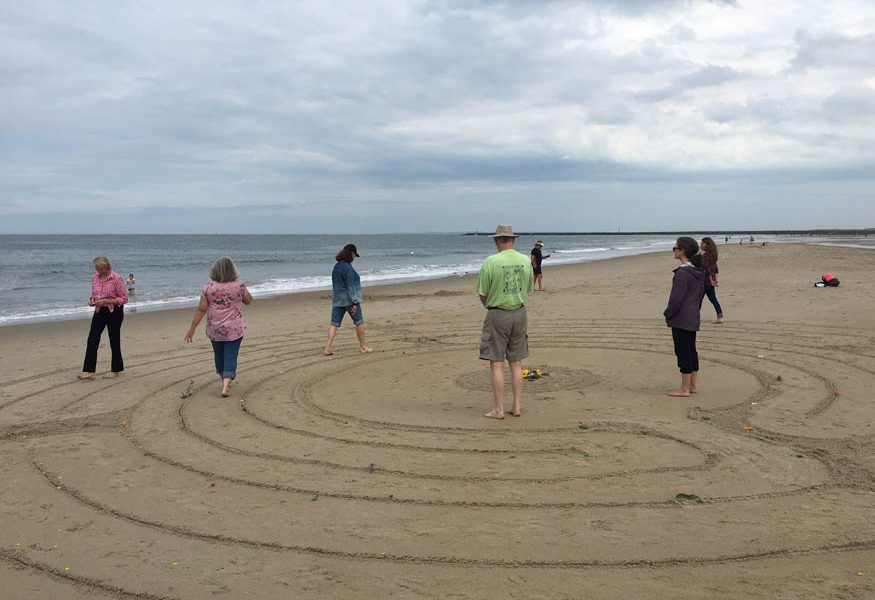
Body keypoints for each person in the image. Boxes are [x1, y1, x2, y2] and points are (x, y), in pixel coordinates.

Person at [477, 224, 534, 419]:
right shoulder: (525, 260)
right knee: (516, 363)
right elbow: (528, 288)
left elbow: (482, 293)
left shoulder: (491, 262)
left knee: (496, 362)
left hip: (498, 314)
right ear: (513, 240)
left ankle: (499, 409)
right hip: (519, 313)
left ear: (496, 240)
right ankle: (516, 406)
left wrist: (492, 306)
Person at [184, 257, 253, 397]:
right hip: (235, 328)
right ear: (233, 270)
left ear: (214, 270)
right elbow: (249, 301)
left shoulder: (208, 287)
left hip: (215, 328)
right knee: (231, 354)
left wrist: (192, 328)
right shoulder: (239, 286)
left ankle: (224, 379)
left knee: (219, 355)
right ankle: (226, 385)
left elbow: (201, 310)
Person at [663, 237, 705, 397]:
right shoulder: (698, 271)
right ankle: (692, 385)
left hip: (682, 317)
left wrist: (668, 313)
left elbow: (676, 299)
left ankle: (684, 389)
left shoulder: (682, 273)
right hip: (693, 315)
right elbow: (699, 295)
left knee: (682, 351)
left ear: (682, 251)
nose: (673, 250)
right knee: (691, 350)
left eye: (675, 247)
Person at [79, 256, 128, 380]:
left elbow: (124, 299)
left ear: (108, 267)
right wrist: (92, 300)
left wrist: (106, 301)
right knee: (92, 339)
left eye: (102, 269)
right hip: (99, 310)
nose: (99, 272)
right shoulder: (94, 278)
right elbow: (95, 294)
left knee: (114, 339)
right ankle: (89, 371)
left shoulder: (116, 278)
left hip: (114, 311)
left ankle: (116, 369)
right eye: (97, 269)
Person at [324, 244, 373, 356]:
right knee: (359, 322)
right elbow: (350, 286)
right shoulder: (348, 268)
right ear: (351, 253)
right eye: (355, 255)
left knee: (334, 324)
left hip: (337, 300)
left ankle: (327, 347)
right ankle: (363, 346)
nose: (355, 258)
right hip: (349, 301)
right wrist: (355, 301)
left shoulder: (336, 266)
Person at [700, 237, 724, 324]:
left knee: (698, 300)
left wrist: (711, 280)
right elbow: (716, 270)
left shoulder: (705, 256)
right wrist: (715, 280)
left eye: (702, 244)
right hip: (710, 282)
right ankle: (720, 316)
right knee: (713, 299)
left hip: (705, 282)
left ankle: (694, 317)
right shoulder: (713, 255)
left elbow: (708, 270)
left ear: (707, 245)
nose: (701, 245)